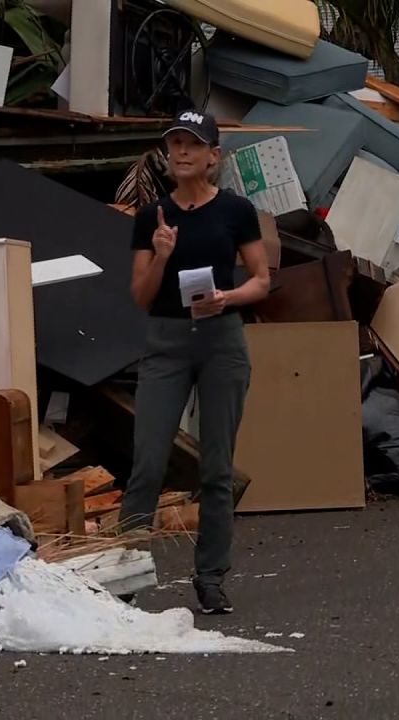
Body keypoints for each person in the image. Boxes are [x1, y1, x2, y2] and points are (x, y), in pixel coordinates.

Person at [120, 109, 270, 615]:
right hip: (165, 340)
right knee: (148, 460)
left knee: (216, 465)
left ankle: (210, 578)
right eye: (175, 143)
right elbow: (140, 297)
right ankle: (123, 573)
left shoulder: (235, 211)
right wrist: (162, 254)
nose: (182, 152)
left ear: (213, 156)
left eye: (193, 144)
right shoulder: (152, 218)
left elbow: (261, 280)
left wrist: (227, 298)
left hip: (221, 339)